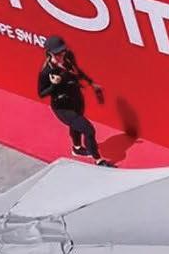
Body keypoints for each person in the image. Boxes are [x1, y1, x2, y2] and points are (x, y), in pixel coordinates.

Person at [36, 35, 112, 166]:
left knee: (76, 125)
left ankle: (77, 148)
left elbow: (77, 71)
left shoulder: (68, 56)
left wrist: (91, 83)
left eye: (63, 51)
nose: (62, 54)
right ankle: (98, 160)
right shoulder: (47, 71)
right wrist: (54, 85)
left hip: (76, 98)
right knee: (89, 130)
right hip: (63, 107)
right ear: (49, 53)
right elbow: (41, 93)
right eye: (58, 53)